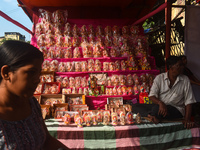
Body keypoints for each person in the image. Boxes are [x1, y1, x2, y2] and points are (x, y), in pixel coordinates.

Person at [0, 40, 68, 150]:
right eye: (31, 72)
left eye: (39, 73)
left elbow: (46, 141)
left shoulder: (31, 104)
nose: (37, 80)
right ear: (6, 73)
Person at [148, 56, 196, 129]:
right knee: (140, 107)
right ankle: (154, 115)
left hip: (176, 109)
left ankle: (153, 115)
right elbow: (152, 96)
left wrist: (187, 119)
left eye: (182, 65)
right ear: (171, 67)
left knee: (156, 110)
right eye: (179, 65)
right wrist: (161, 103)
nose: (182, 67)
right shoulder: (159, 78)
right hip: (160, 106)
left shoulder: (185, 80)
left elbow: (189, 101)